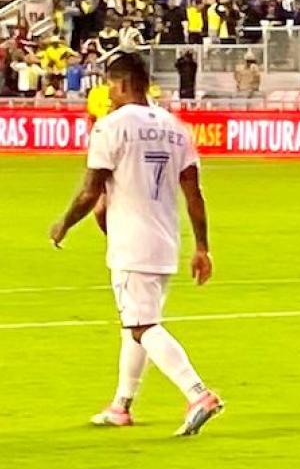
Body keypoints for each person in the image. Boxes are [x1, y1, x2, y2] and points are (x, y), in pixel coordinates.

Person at [48, 53, 224, 436]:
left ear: (125, 83)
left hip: (131, 240)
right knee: (136, 323)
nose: (108, 93)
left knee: (143, 325)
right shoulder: (176, 127)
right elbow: (194, 193)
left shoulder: (111, 127)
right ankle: (121, 405)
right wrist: (202, 247)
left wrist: (64, 224)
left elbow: (90, 191)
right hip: (165, 239)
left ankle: (198, 393)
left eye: (110, 84)